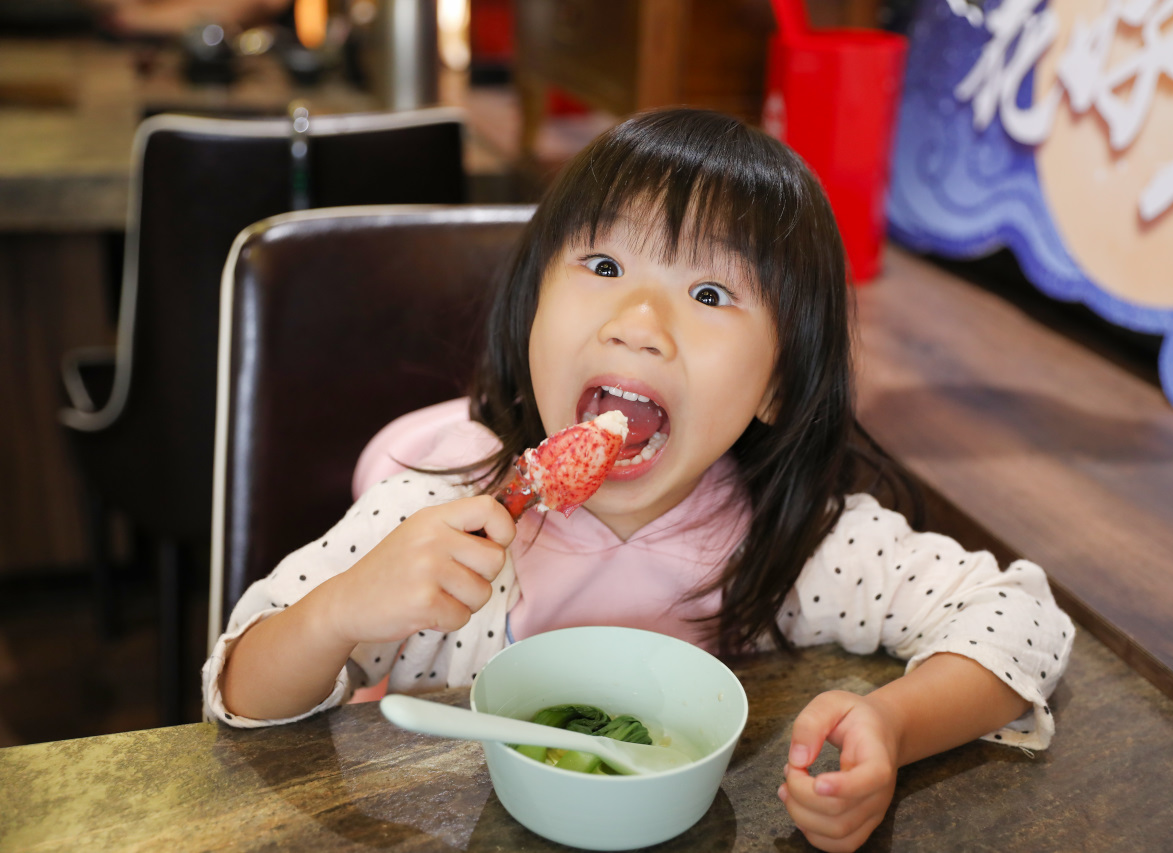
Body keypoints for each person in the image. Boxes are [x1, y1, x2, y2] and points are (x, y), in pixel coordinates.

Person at [203, 107, 1074, 852]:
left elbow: (1020, 620)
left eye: (707, 293)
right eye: (606, 267)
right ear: (532, 309)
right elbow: (238, 693)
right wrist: (341, 611)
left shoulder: (795, 541)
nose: (640, 323)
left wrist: (892, 723)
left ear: (776, 383)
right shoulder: (428, 511)